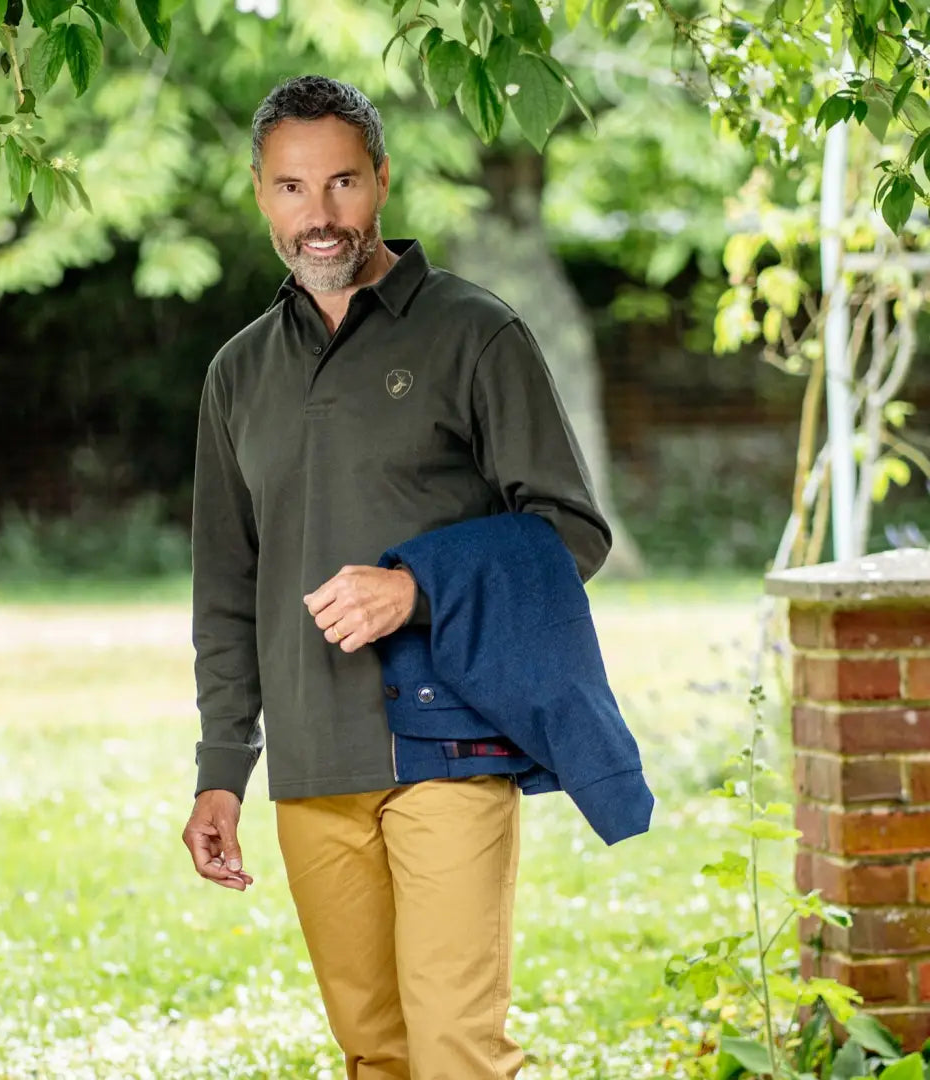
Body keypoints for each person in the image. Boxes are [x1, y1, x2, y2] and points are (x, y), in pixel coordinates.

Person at [180, 74, 612, 1080]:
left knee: (456, 1049)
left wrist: (417, 587)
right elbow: (226, 589)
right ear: (260, 194)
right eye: (292, 188)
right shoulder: (237, 373)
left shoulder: (475, 333)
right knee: (376, 1053)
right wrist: (220, 769)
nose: (319, 215)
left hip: (453, 742)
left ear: (382, 179)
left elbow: (570, 534)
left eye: (342, 182)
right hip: (312, 761)